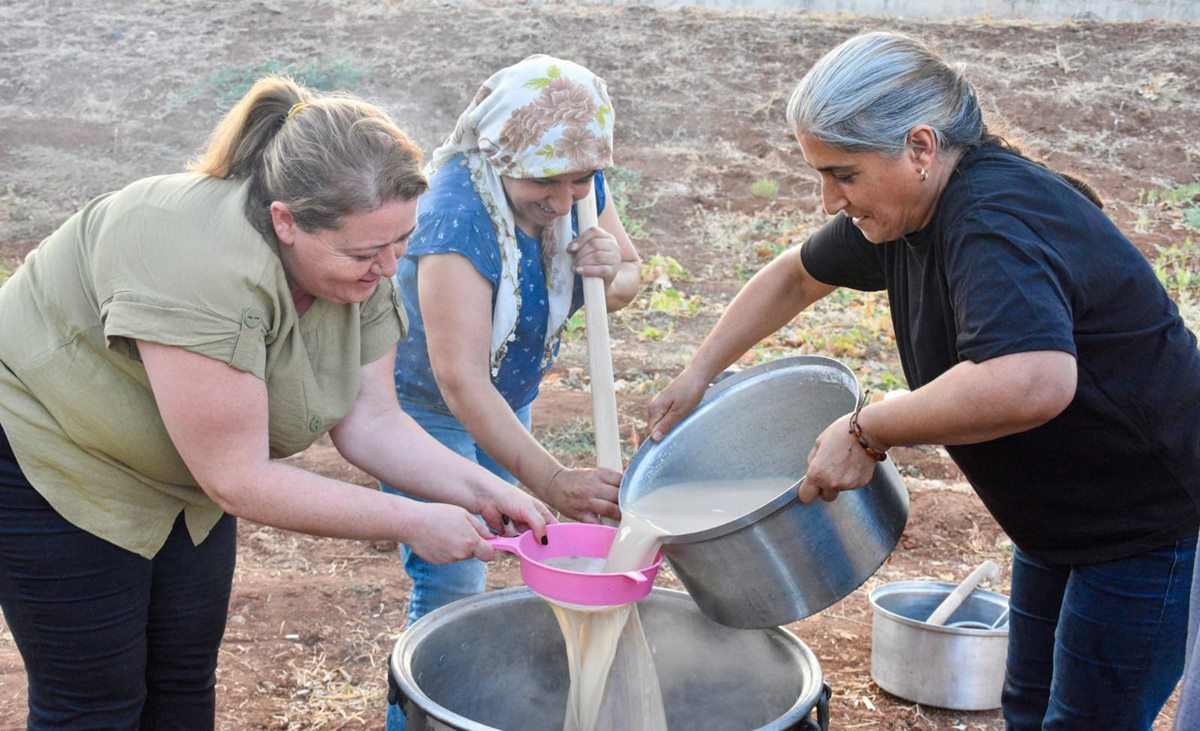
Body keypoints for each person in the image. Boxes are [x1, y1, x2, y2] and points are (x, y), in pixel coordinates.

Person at [647, 31, 1200, 730]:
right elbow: (794, 274)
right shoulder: (908, 213)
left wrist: (867, 428)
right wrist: (698, 372)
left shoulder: (990, 220)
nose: (827, 200)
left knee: (1089, 719)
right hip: (1059, 517)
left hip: (1143, 520)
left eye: (843, 174)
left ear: (918, 147)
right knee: (1029, 706)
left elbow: (1032, 380)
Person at [0, 75, 554, 730]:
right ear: (285, 221)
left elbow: (373, 420)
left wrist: (487, 490)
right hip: (54, 456)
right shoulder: (193, 260)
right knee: (96, 703)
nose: (388, 268)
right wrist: (410, 519)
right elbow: (237, 477)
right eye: (366, 253)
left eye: (401, 244)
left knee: (180, 681)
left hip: (183, 475)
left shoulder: (363, 250)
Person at [379, 55, 641, 728]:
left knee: (521, 549)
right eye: (544, 182)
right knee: (453, 570)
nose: (562, 200)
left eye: (579, 178)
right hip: (424, 412)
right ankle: (423, 713)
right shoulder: (455, 219)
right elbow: (460, 378)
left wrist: (612, 270)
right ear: (502, 155)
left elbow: (629, 278)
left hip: (508, 395)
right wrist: (551, 478)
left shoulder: (580, 183)